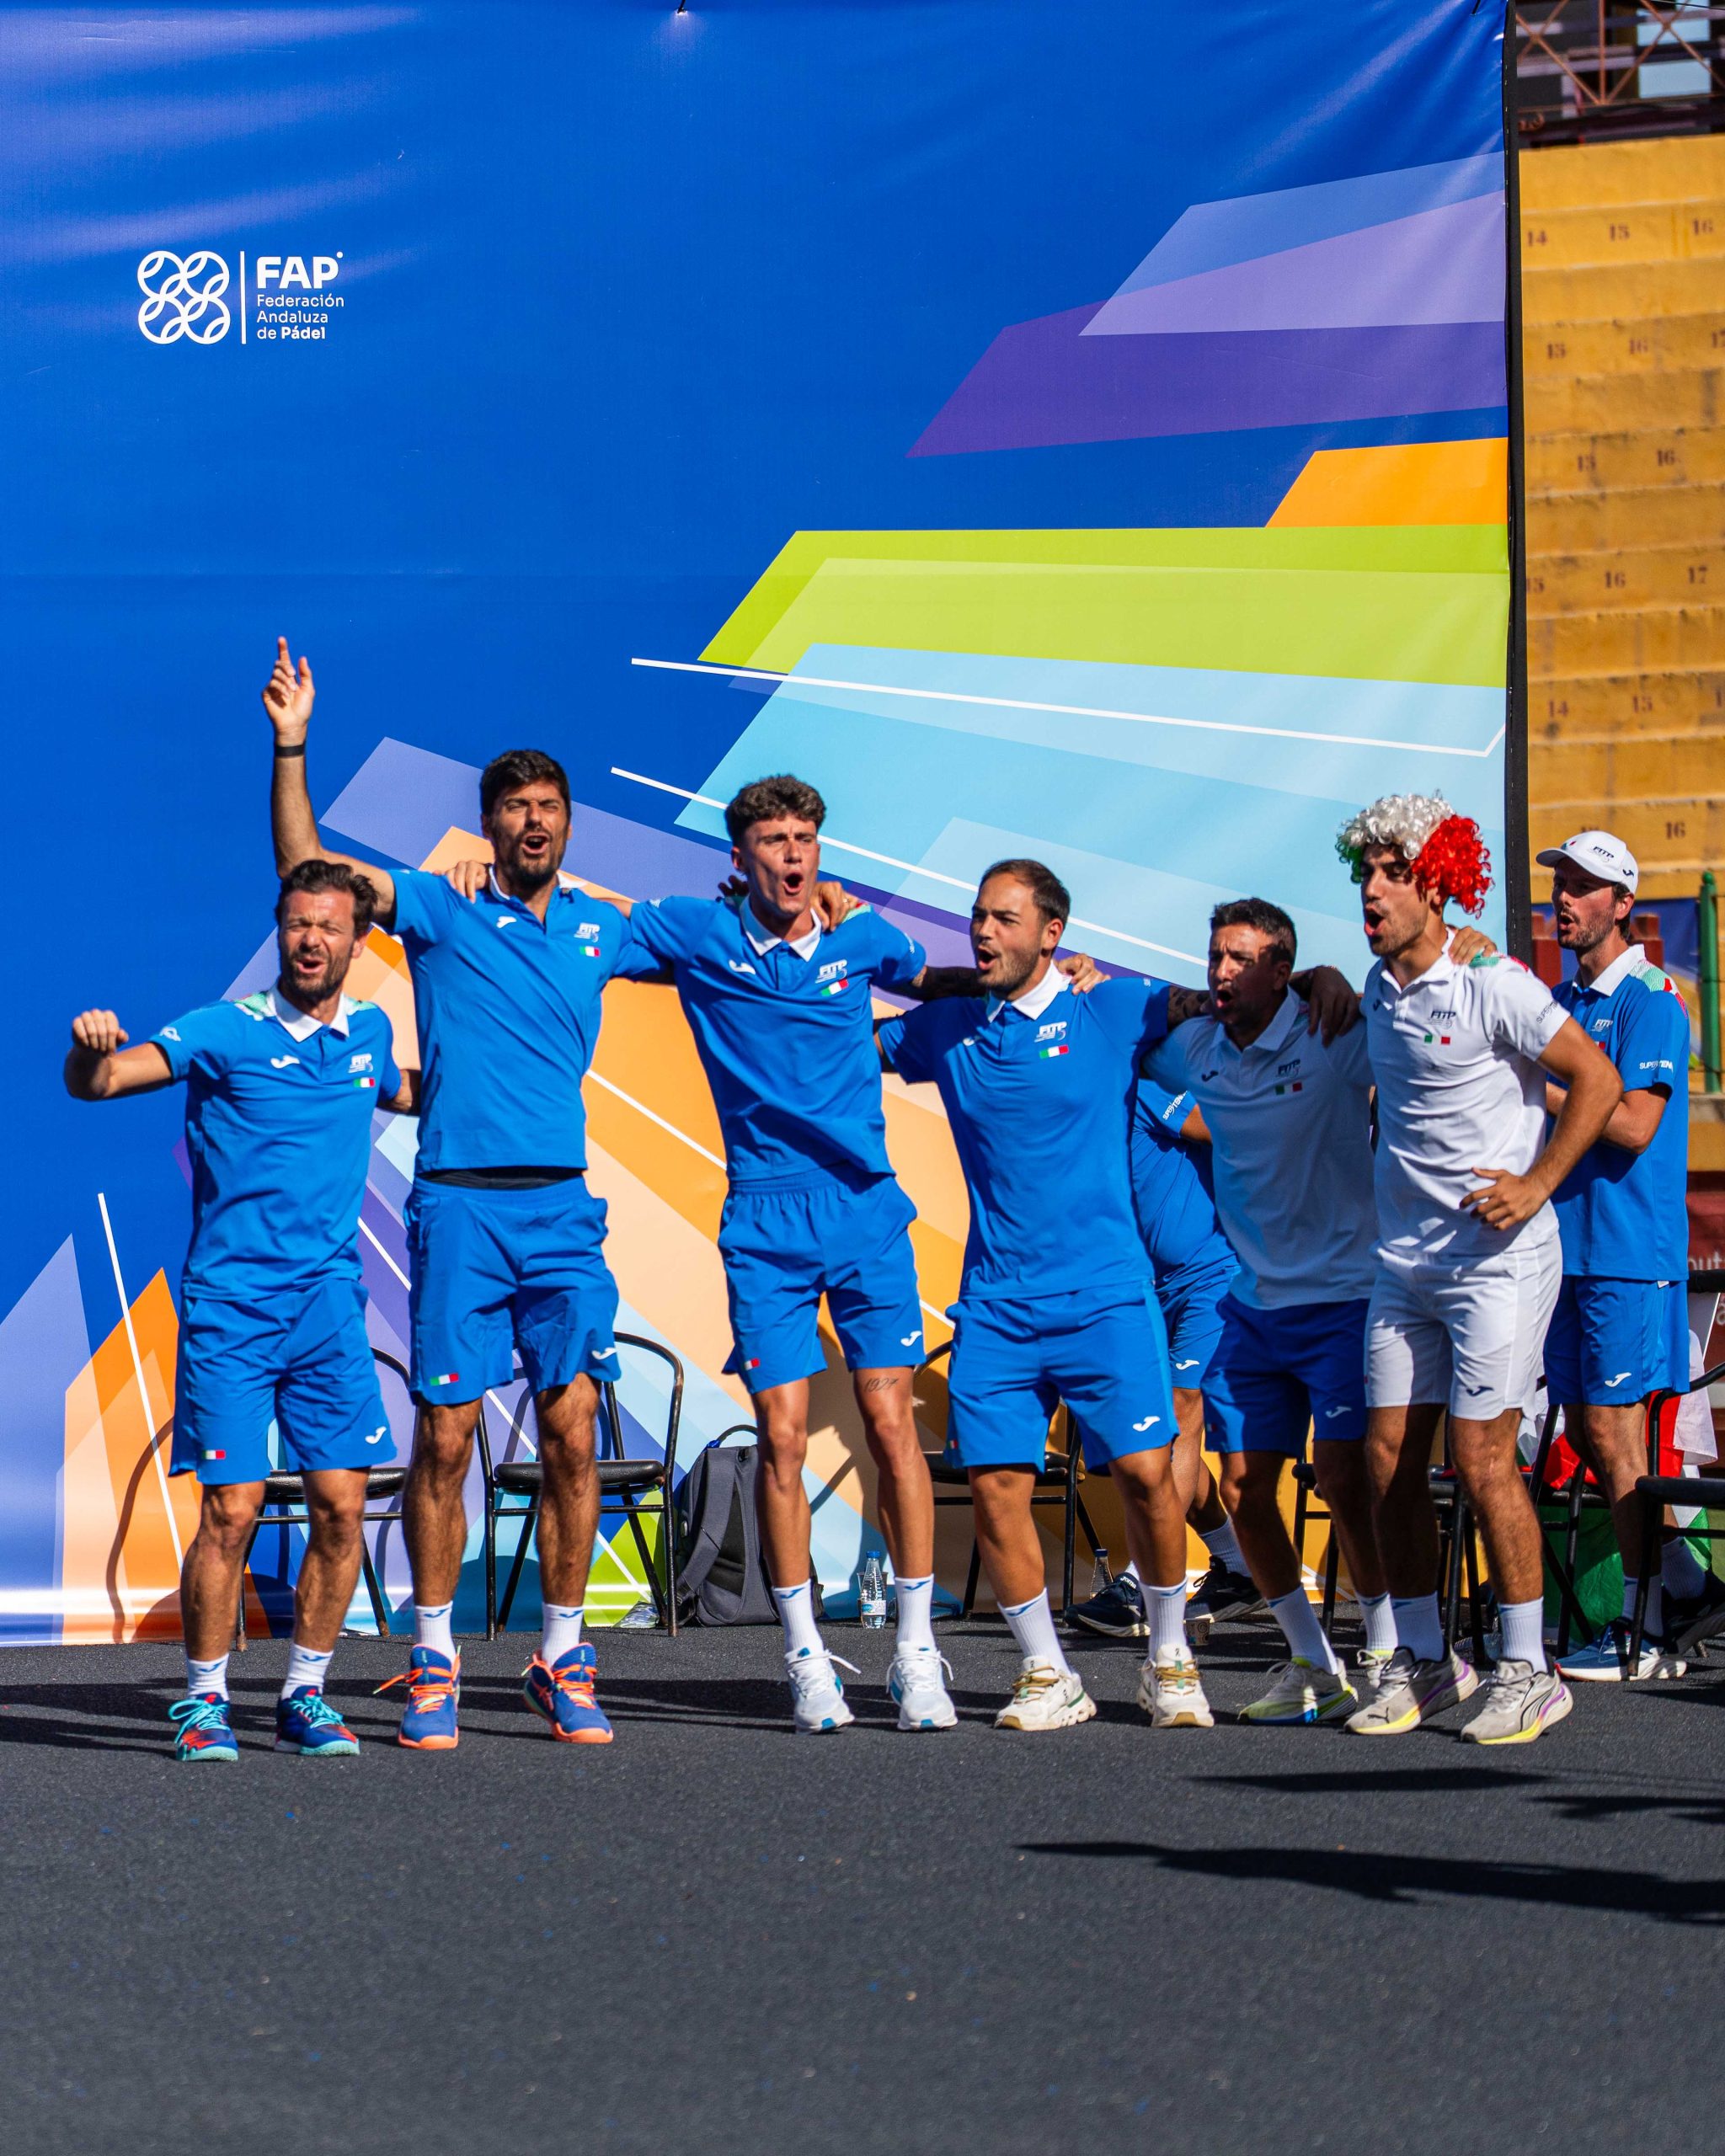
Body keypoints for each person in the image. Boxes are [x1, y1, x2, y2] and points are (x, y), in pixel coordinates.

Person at [612, 777, 1096, 1733]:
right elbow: (569, 937)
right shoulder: (694, 934)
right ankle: (804, 1659)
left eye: (805, 838)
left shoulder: (862, 935)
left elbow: (945, 980)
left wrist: (1057, 975)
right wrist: (478, 887)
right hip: (765, 1222)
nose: (793, 854)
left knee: (889, 1424)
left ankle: (914, 1652)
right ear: (740, 857)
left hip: (866, 1214)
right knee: (783, 1439)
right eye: (773, 840)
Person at [264, 638, 669, 1749]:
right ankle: (435, 1658)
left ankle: (561, 1656)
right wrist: (293, 745)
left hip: (561, 1214)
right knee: (444, 1440)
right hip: (458, 1208)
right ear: (488, 825)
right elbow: (309, 872)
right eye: (516, 808)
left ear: (568, 825)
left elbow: (746, 944)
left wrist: (821, 903)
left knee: (573, 1435)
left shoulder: (604, 925)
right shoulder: (442, 913)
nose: (534, 821)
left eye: (550, 808)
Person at [64, 859, 415, 1763]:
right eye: (297, 924)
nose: (311, 940)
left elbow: (415, 1089)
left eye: (329, 926)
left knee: (342, 1506)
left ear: (356, 942)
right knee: (232, 1509)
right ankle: (204, 1699)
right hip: (233, 1309)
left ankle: (305, 1695)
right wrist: (90, 1050)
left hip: (330, 1308)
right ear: (280, 932)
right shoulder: (225, 1029)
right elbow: (101, 1084)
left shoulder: (370, 1034)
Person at [878, 859, 1210, 1732]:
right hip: (996, 1304)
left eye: (1004, 919)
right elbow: (836, 1039)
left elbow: (1218, 1001)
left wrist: (1319, 987)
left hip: (1106, 1296)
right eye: (977, 917)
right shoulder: (946, 1028)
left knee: (1147, 1476)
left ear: (1052, 932)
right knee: (995, 1486)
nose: (983, 931)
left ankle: (1168, 1657)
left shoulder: (1110, 1008)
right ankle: (1046, 1672)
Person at [1339, 793, 1621, 1744]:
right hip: (1402, 1265)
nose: (1371, 891)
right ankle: (1426, 1661)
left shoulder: (1493, 981)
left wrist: (1538, 1183)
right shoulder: (1373, 987)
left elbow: (1598, 1080)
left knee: (1481, 1457)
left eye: (1392, 874)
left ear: (1437, 883)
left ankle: (1528, 1671)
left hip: (1496, 1264)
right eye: (1365, 873)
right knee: (1384, 1460)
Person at [1139, 897, 1400, 1722]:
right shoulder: (1194, 1048)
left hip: (1344, 1297)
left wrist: (1331, 984)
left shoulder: (1333, 1035)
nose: (1221, 971)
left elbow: (1412, 1050)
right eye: (1215, 955)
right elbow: (1125, 1027)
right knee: (1246, 1488)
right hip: (1251, 1305)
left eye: (1240, 960)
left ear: (1281, 971)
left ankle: (1389, 1652)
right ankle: (1313, 1662)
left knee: (1345, 1479)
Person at [1534, 833, 1698, 1680]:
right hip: (1569, 1252)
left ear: (1622, 903)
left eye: (1582, 886)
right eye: (1559, 883)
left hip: (1629, 1251)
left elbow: (1633, 1124)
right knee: (1594, 1438)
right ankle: (1683, 1586)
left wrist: (1534, 1081)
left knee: (1611, 1429)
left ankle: (1644, 1628)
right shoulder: (1562, 1000)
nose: (1562, 898)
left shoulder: (1651, 997)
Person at [1065, 1075, 1261, 1643]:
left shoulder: (1145, 1083)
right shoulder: (1071, 1106)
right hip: (1139, 1288)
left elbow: (1235, 1132)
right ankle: (1239, 1568)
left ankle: (1144, 1582)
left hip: (1211, 1274)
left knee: (1180, 1410)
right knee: (1155, 1438)